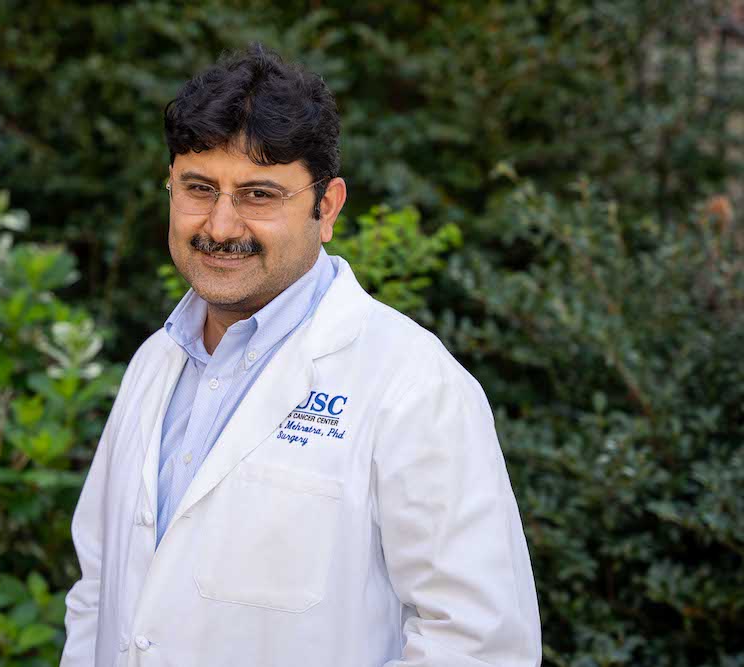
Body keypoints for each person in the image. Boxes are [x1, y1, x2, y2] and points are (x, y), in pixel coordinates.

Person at [60, 43, 540, 667]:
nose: (222, 225)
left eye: (259, 195)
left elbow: (479, 643)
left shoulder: (415, 386)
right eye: (198, 188)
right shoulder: (155, 362)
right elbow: (99, 589)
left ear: (328, 207)